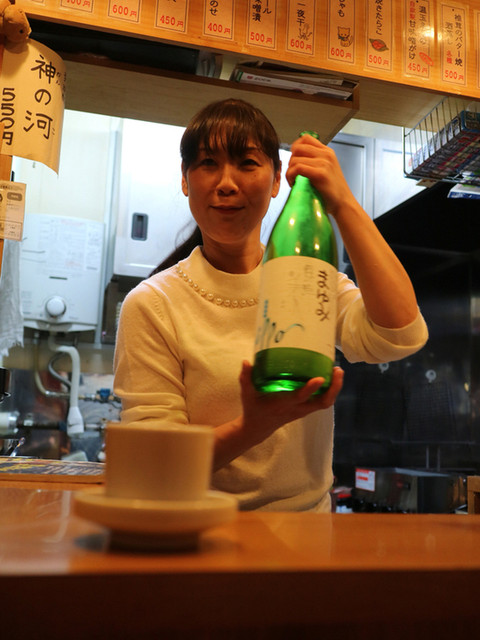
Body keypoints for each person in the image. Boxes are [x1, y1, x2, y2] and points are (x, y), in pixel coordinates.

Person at [113, 98, 428, 512]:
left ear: (277, 179)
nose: (227, 183)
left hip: (308, 533)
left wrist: (343, 203)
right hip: (198, 529)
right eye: (208, 163)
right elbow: (154, 464)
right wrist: (256, 424)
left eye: (247, 163)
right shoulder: (152, 304)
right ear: (186, 180)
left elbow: (400, 335)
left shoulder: (306, 278)